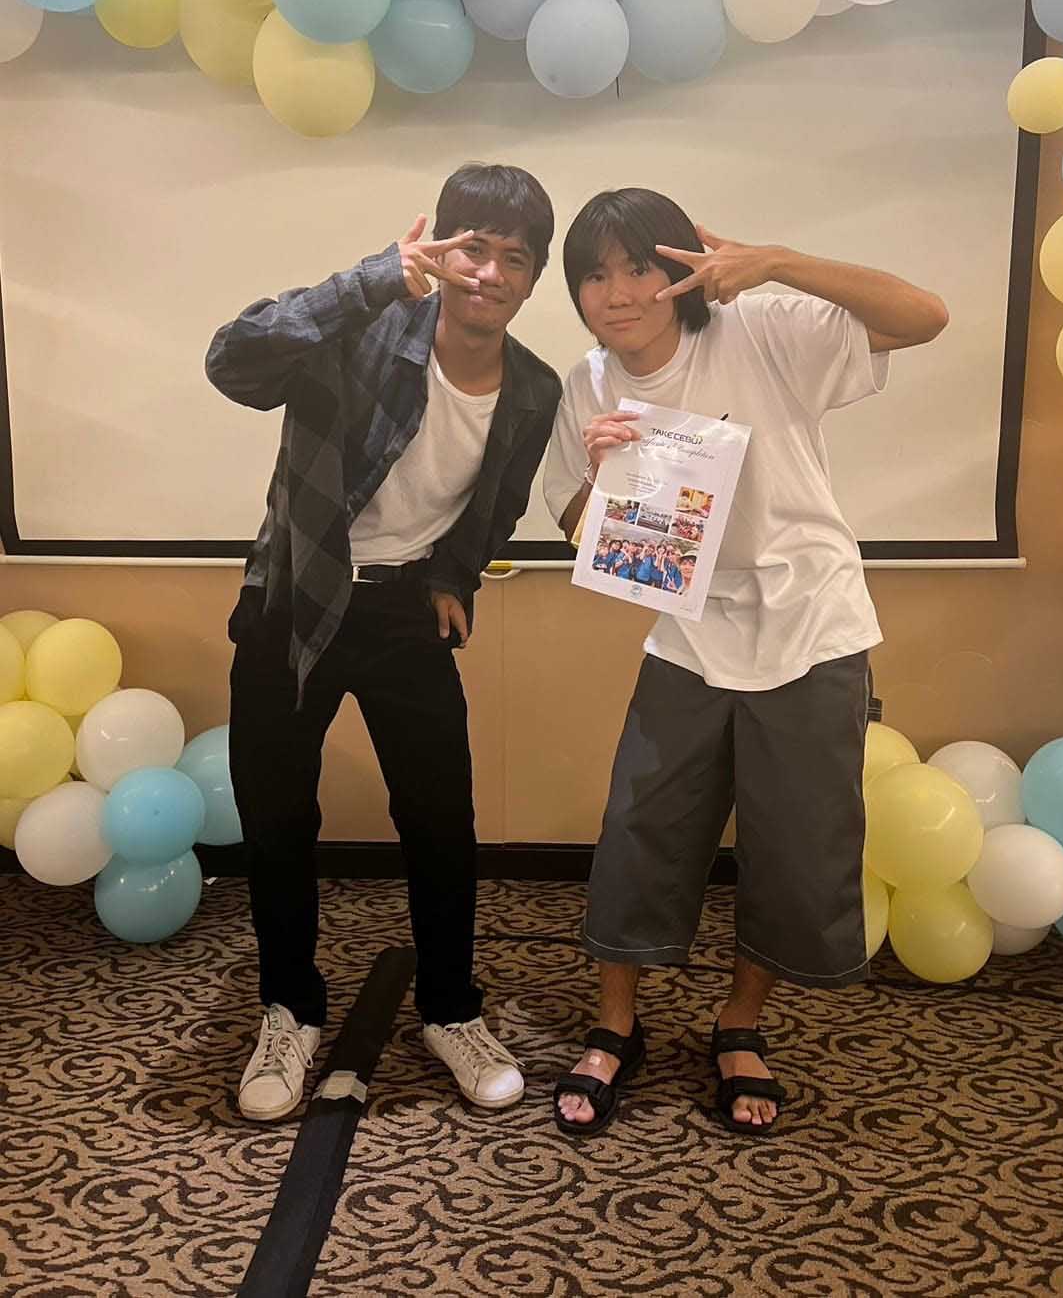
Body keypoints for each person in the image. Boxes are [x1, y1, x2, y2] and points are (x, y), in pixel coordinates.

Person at [543, 188, 948, 1138]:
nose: (617, 293)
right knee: (639, 827)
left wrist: (775, 261)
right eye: (594, 274)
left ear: (680, 269)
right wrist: (604, 482)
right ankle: (616, 1023)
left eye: (638, 267)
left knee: (793, 843)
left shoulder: (761, 328)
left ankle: (740, 1023)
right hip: (689, 637)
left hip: (811, 626)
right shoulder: (588, 382)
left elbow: (924, 316)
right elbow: (577, 525)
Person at [206, 163, 561, 1121]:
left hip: (405, 611)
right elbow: (231, 361)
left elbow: (497, 503)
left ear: (533, 278)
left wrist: (454, 576)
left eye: (514, 258)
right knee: (278, 815)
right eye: (473, 247)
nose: (489, 272)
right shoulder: (361, 330)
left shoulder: (534, 389)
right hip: (294, 597)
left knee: (441, 817)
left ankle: (450, 1009)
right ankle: (289, 1009)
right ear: (440, 248)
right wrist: (369, 281)